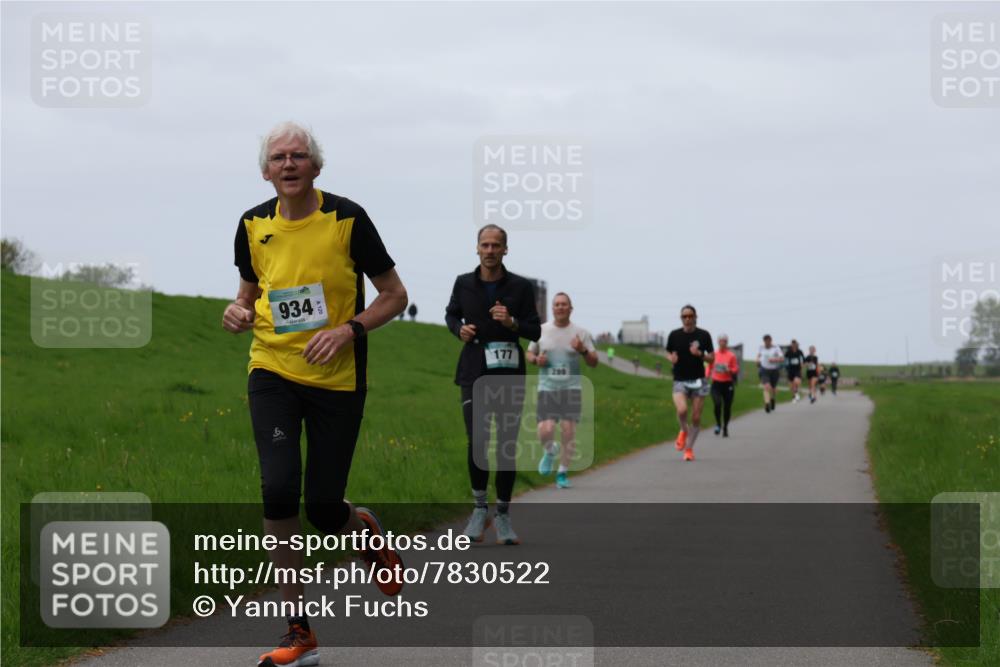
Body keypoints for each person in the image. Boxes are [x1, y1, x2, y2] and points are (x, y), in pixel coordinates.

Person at [223, 122, 408, 667]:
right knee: (279, 489)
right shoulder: (251, 225)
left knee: (324, 509)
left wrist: (349, 329)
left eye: (298, 155)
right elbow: (247, 295)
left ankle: (363, 528)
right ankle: (299, 631)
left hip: (337, 379)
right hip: (272, 371)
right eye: (278, 157)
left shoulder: (348, 218)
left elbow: (395, 296)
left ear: (315, 166)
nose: (288, 163)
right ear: (266, 170)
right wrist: (235, 312)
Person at [445, 225, 541, 545]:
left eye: (495, 245)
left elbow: (535, 331)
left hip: (509, 374)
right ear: (476, 248)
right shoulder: (463, 283)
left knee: (506, 447)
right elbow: (451, 315)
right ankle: (478, 509)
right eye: (484, 244)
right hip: (473, 372)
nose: (489, 250)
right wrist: (458, 329)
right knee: (478, 442)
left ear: (505, 250)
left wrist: (512, 322)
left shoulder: (521, 287)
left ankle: (502, 516)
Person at [526, 292, 598, 489]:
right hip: (547, 388)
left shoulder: (581, 333)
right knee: (545, 430)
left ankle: (562, 473)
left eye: (564, 304)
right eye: (557, 304)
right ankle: (550, 451)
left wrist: (582, 349)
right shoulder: (541, 331)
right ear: (552, 308)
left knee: (568, 431)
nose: (560, 307)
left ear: (570, 308)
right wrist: (536, 360)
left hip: (571, 388)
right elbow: (529, 353)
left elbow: (594, 362)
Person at [665, 305, 714, 462]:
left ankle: (689, 449)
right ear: (681, 318)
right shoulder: (674, 335)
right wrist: (670, 358)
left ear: (695, 317)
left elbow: (712, 358)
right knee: (682, 410)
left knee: (696, 416)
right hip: (680, 379)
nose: (687, 319)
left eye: (690, 316)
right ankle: (683, 430)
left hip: (699, 380)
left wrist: (699, 354)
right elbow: (668, 352)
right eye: (684, 316)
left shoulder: (704, 335)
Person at [709, 333, 740, 437]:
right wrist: (706, 376)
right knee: (717, 404)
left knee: (727, 407)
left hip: (727, 384)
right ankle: (718, 424)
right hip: (716, 384)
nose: (723, 343)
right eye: (721, 341)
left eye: (725, 341)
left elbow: (736, 368)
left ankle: (725, 427)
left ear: (727, 343)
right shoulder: (714, 354)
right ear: (718, 342)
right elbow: (709, 366)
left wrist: (729, 370)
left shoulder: (731, 355)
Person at [756, 334, 784, 413]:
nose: (767, 343)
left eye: (768, 341)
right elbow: (758, 355)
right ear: (764, 341)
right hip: (764, 369)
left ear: (771, 341)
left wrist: (775, 359)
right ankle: (767, 404)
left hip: (774, 370)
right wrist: (757, 360)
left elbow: (782, 358)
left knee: (773, 388)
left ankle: (772, 399)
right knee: (766, 386)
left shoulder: (776, 348)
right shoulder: (761, 347)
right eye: (765, 341)